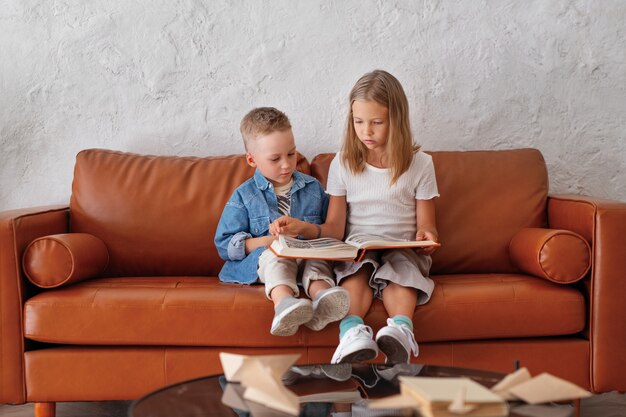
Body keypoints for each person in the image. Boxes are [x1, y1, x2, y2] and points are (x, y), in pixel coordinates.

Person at [270, 70, 439, 363]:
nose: (366, 132)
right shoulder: (344, 163)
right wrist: (303, 228)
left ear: (396, 120)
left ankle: (400, 330)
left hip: (403, 246)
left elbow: (426, 225)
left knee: (402, 272)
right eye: (358, 122)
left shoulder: (421, 164)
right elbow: (335, 228)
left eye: (376, 122)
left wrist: (427, 236)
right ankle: (352, 333)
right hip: (359, 246)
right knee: (356, 274)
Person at [214, 107, 349, 337]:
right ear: (251, 159)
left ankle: (323, 297)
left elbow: (330, 232)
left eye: (291, 154)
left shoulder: (313, 188)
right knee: (275, 257)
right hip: (271, 259)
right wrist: (267, 241)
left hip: (305, 256)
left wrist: (310, 234)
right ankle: (284, 304)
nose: (286, 165)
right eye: (275, 159)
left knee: (317, 262)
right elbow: (224, 245)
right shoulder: (244, 196)